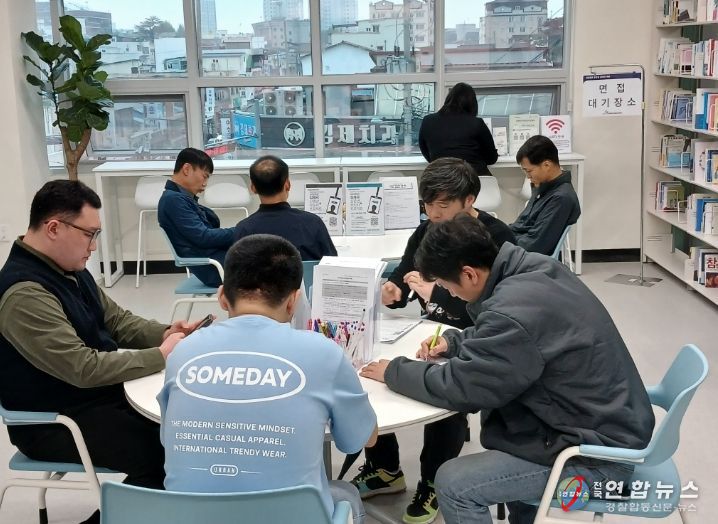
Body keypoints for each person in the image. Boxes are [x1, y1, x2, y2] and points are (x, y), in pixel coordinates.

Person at [360, 215, 655, 524]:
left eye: (447, 286)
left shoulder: (511, 310)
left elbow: (462, 387)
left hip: (597, 456)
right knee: (505, 438)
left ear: (469, 274)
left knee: (454, 484)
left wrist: (394, 372)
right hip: (606, 423)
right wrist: (454, 341)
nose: (450, 295)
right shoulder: (534, 269)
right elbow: (516, 336)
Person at [0, 180, 202, 524]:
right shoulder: (24, 294)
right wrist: (161, 355)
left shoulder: (68, 268)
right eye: (89, 235)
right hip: (55, 421)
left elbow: (116, 320)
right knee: (169, 454)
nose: (94, 246)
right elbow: (82, 367)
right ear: (53, 228)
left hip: (94, 399)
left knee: (181, 434)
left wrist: (167, 333)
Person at [158, 234, 378, 523]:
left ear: (222, 297)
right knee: (346, 494)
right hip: (292, 517)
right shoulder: (323, 352)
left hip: (190, 517)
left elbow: (168, 439)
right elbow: (361, 440)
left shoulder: (183, 352)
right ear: (293, 301)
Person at [349, 158, 515, 524]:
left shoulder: (496, 237)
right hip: (430, 330)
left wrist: (435, 295)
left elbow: (497, 309)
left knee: (446, 392)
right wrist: (395, 290)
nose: (434, 213)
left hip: (475, 335)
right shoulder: (426, 231)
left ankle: (433, 483)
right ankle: (385, 468)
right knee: (372, 368)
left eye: (443, 204)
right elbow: (405, 272)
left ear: (469, 200)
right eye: (427, 204)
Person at [234, 155, 337, 261]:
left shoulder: (243, 229)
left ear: (253, 188)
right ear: (287, 185)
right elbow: (331, 264)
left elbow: (237, 268)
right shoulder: (312, 223)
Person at [158, 147, 235, 287]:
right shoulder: (174, 200)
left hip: (216, 259)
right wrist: (241, 230)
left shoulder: (180, 198)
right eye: (205, 176)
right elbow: (204, 237)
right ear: (186, 169)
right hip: (214, 267)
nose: (205, 183)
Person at [510, 135, 581, 255]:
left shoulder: (561, 198)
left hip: (527, 256)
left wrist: (502, 242)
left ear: (547, 165)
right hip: (518, 245)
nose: (528, 176)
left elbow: (534, 245)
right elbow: (521, 225)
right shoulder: (543, 187)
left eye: (529, 171)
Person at [418, 82, 498, 176]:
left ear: (448, 99)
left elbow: (427, 154)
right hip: (474, 178)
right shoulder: (476, 123)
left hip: (440, 178)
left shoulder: (428, 121)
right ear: (472, 104)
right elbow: (491, 158)